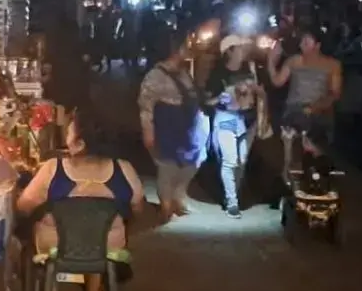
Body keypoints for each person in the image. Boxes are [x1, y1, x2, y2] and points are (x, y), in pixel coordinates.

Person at [16, 111, 145, 291]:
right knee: (94, 231)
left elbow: (24, 206)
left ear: (80, 142)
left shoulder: (53, 168)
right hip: (107, 247)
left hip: (56, 246)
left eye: (69, 131)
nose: (66, 135)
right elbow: (137, 209)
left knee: (32, 226)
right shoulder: (124, 169)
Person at [138, 32, 209, 219]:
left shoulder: (185, 72)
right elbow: (146, 105)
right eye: (185, 46)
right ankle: (166, 205)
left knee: (190, 163)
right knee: (167, 167)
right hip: (167, 127)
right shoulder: (155, 76)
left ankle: (179, 197)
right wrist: (148, 130)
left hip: (187, 127)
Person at [205, 35, 265, 217]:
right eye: (239, 47)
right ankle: (232, 202)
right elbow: (207, 100)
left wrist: (263, 116)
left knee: (241, 161)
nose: (243, 49)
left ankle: (233, 194)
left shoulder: (251, 67)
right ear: (229, 51)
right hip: (226, 118)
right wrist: (220, 97)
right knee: (230, 160)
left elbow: (261, 94)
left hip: (248, 120)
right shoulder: (218, 73)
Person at [267, 29, 343, 174]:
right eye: (302, 42)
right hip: (295, 109)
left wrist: (318, 106)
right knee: (295, 127)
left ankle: (319, 166)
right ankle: (289, 167)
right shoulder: (294, 61)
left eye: (307, 42)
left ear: (318, 45)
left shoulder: (332, 65)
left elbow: (335, 93)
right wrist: (271, 61)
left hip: (320, 109)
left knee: (316, 135)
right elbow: (277, 81)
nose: (302, 45)